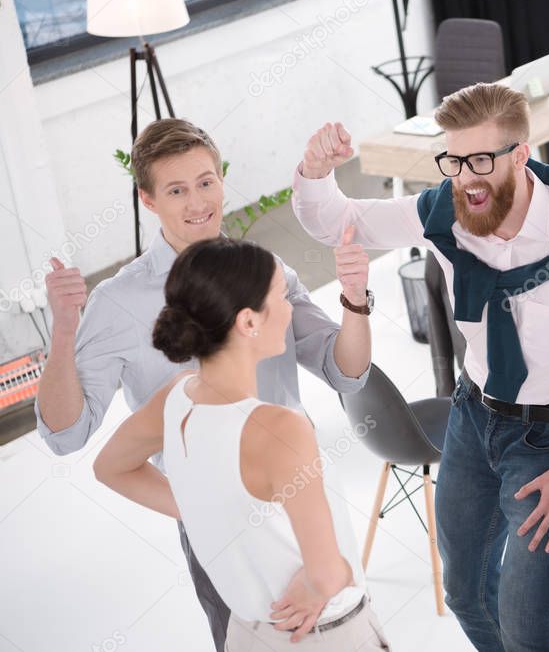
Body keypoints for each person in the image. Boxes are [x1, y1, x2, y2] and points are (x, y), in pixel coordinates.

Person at [292, 83, 549, 651]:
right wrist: (315, 172)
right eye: (455, 160)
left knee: (530, 623)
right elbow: (336, 220)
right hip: (474, 418)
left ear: (520, 153)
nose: (466, 177)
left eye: (482, 160)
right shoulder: (443, 212)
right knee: (465, 592)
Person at [36, 118, 372, 652]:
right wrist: (63, 332)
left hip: (301, 494)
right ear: (147, 200)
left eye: (207, 182)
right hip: (220, 533)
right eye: (176, 189)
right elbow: (66, 437)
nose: (198, 202)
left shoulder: (266, 270)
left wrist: (355, 298)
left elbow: (345, 373)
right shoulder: (118, 303)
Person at [93, 238, 389, 650]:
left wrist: (201, 510)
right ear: (248, 322)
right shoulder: (281, 430)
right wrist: (316, 580)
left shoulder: (177, 395)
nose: (290, 310)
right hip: (326, 636)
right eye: (281, 297)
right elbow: (327, 575)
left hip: (247, 635)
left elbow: (109, 467)